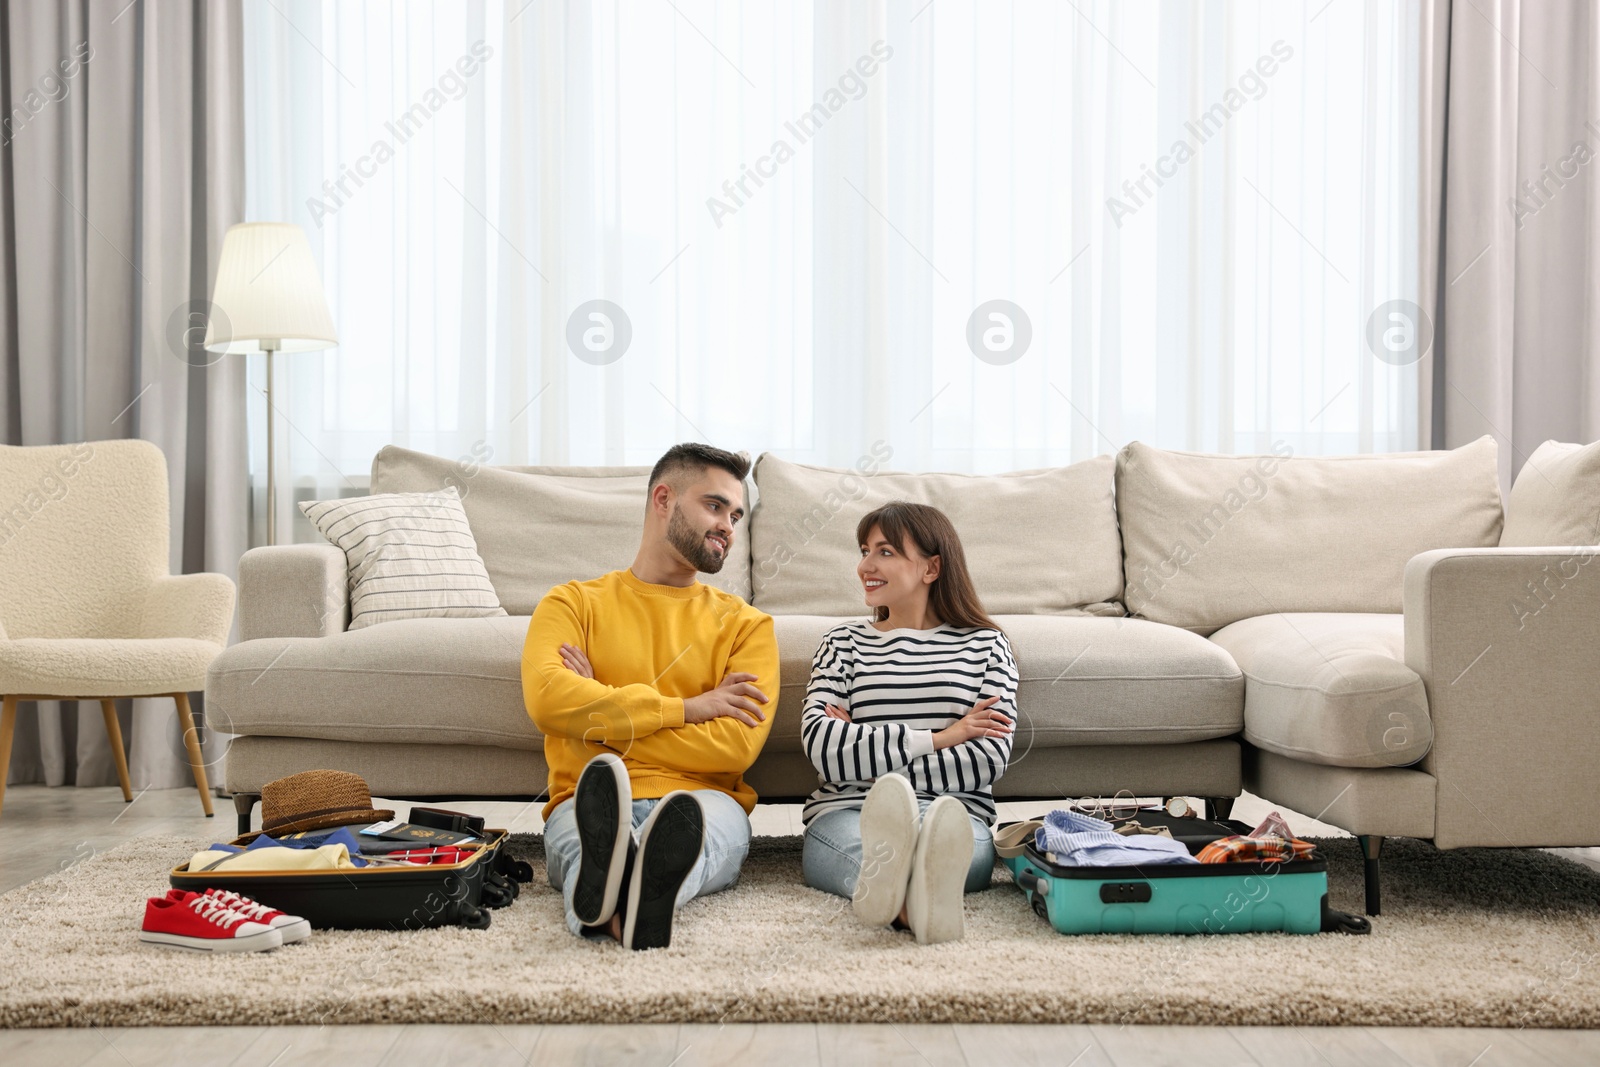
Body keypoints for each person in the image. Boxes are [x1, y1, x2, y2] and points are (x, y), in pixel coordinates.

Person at [521, 443, 778, 950]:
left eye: (736, 513)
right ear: (664, 499)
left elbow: (733, 746)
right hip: (591, 797)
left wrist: (597, 724)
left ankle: (616, 908)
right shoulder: (571, 603)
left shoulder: (747, 625)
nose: (729, 524)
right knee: (584, 846)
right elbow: (549, 700)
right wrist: (687, 709)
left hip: (701, 800)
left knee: (697, 842)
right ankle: (629, 901)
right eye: (714, 505)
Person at [799, 501, 1018, 944]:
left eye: (885, 552)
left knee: (950, 851)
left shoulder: (987, 646)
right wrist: (942, 737)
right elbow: (822, 747)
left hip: (953, 814)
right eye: (864, 551)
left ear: (931, 568)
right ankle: (912, 903)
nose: (865, 565)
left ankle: (901, 902)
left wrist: (863, 748)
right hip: (850, 812)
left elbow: (986, 760)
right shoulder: (843, 642)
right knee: (874, 856)